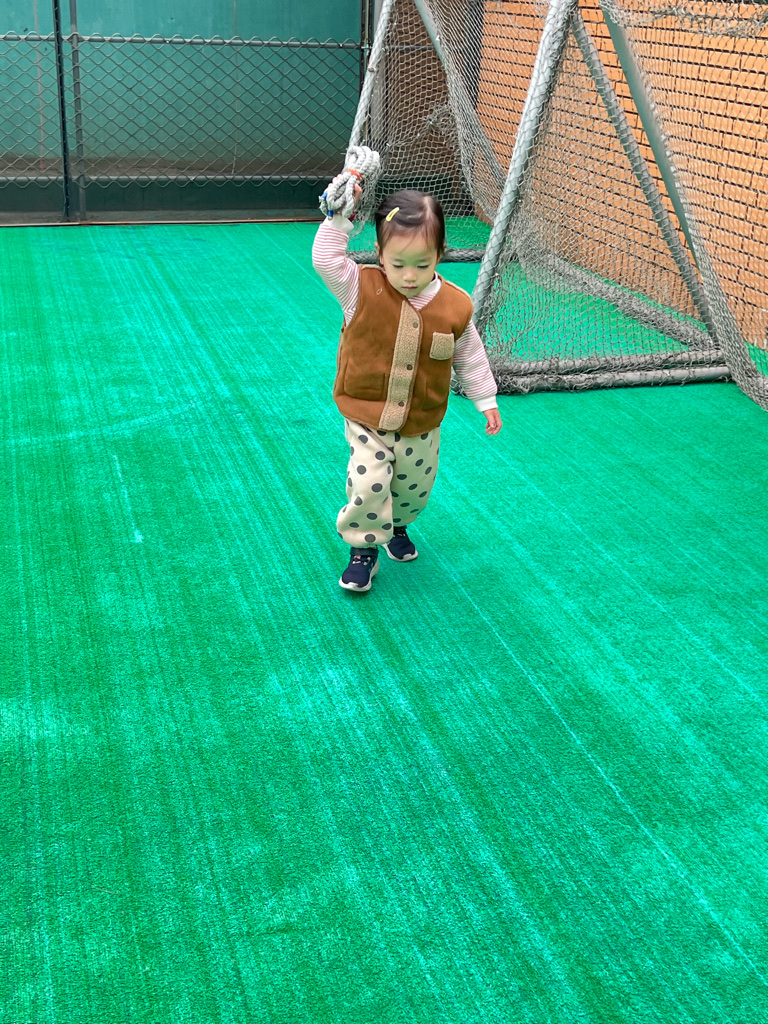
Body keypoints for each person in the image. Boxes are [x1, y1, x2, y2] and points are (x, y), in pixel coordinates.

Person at [312, 182, 502, 592]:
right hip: (366, 412)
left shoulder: (455, 305)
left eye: (422, 263)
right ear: (380, 254)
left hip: (421, 420)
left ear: (440, 254)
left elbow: (469, 354)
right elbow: (325, 259)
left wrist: (485, 398)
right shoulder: (358, 288)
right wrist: (340, 218)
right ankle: (363, 549)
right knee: (369, 482)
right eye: (398, 264)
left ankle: (397, 525)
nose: (410, 275)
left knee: (412, 487)